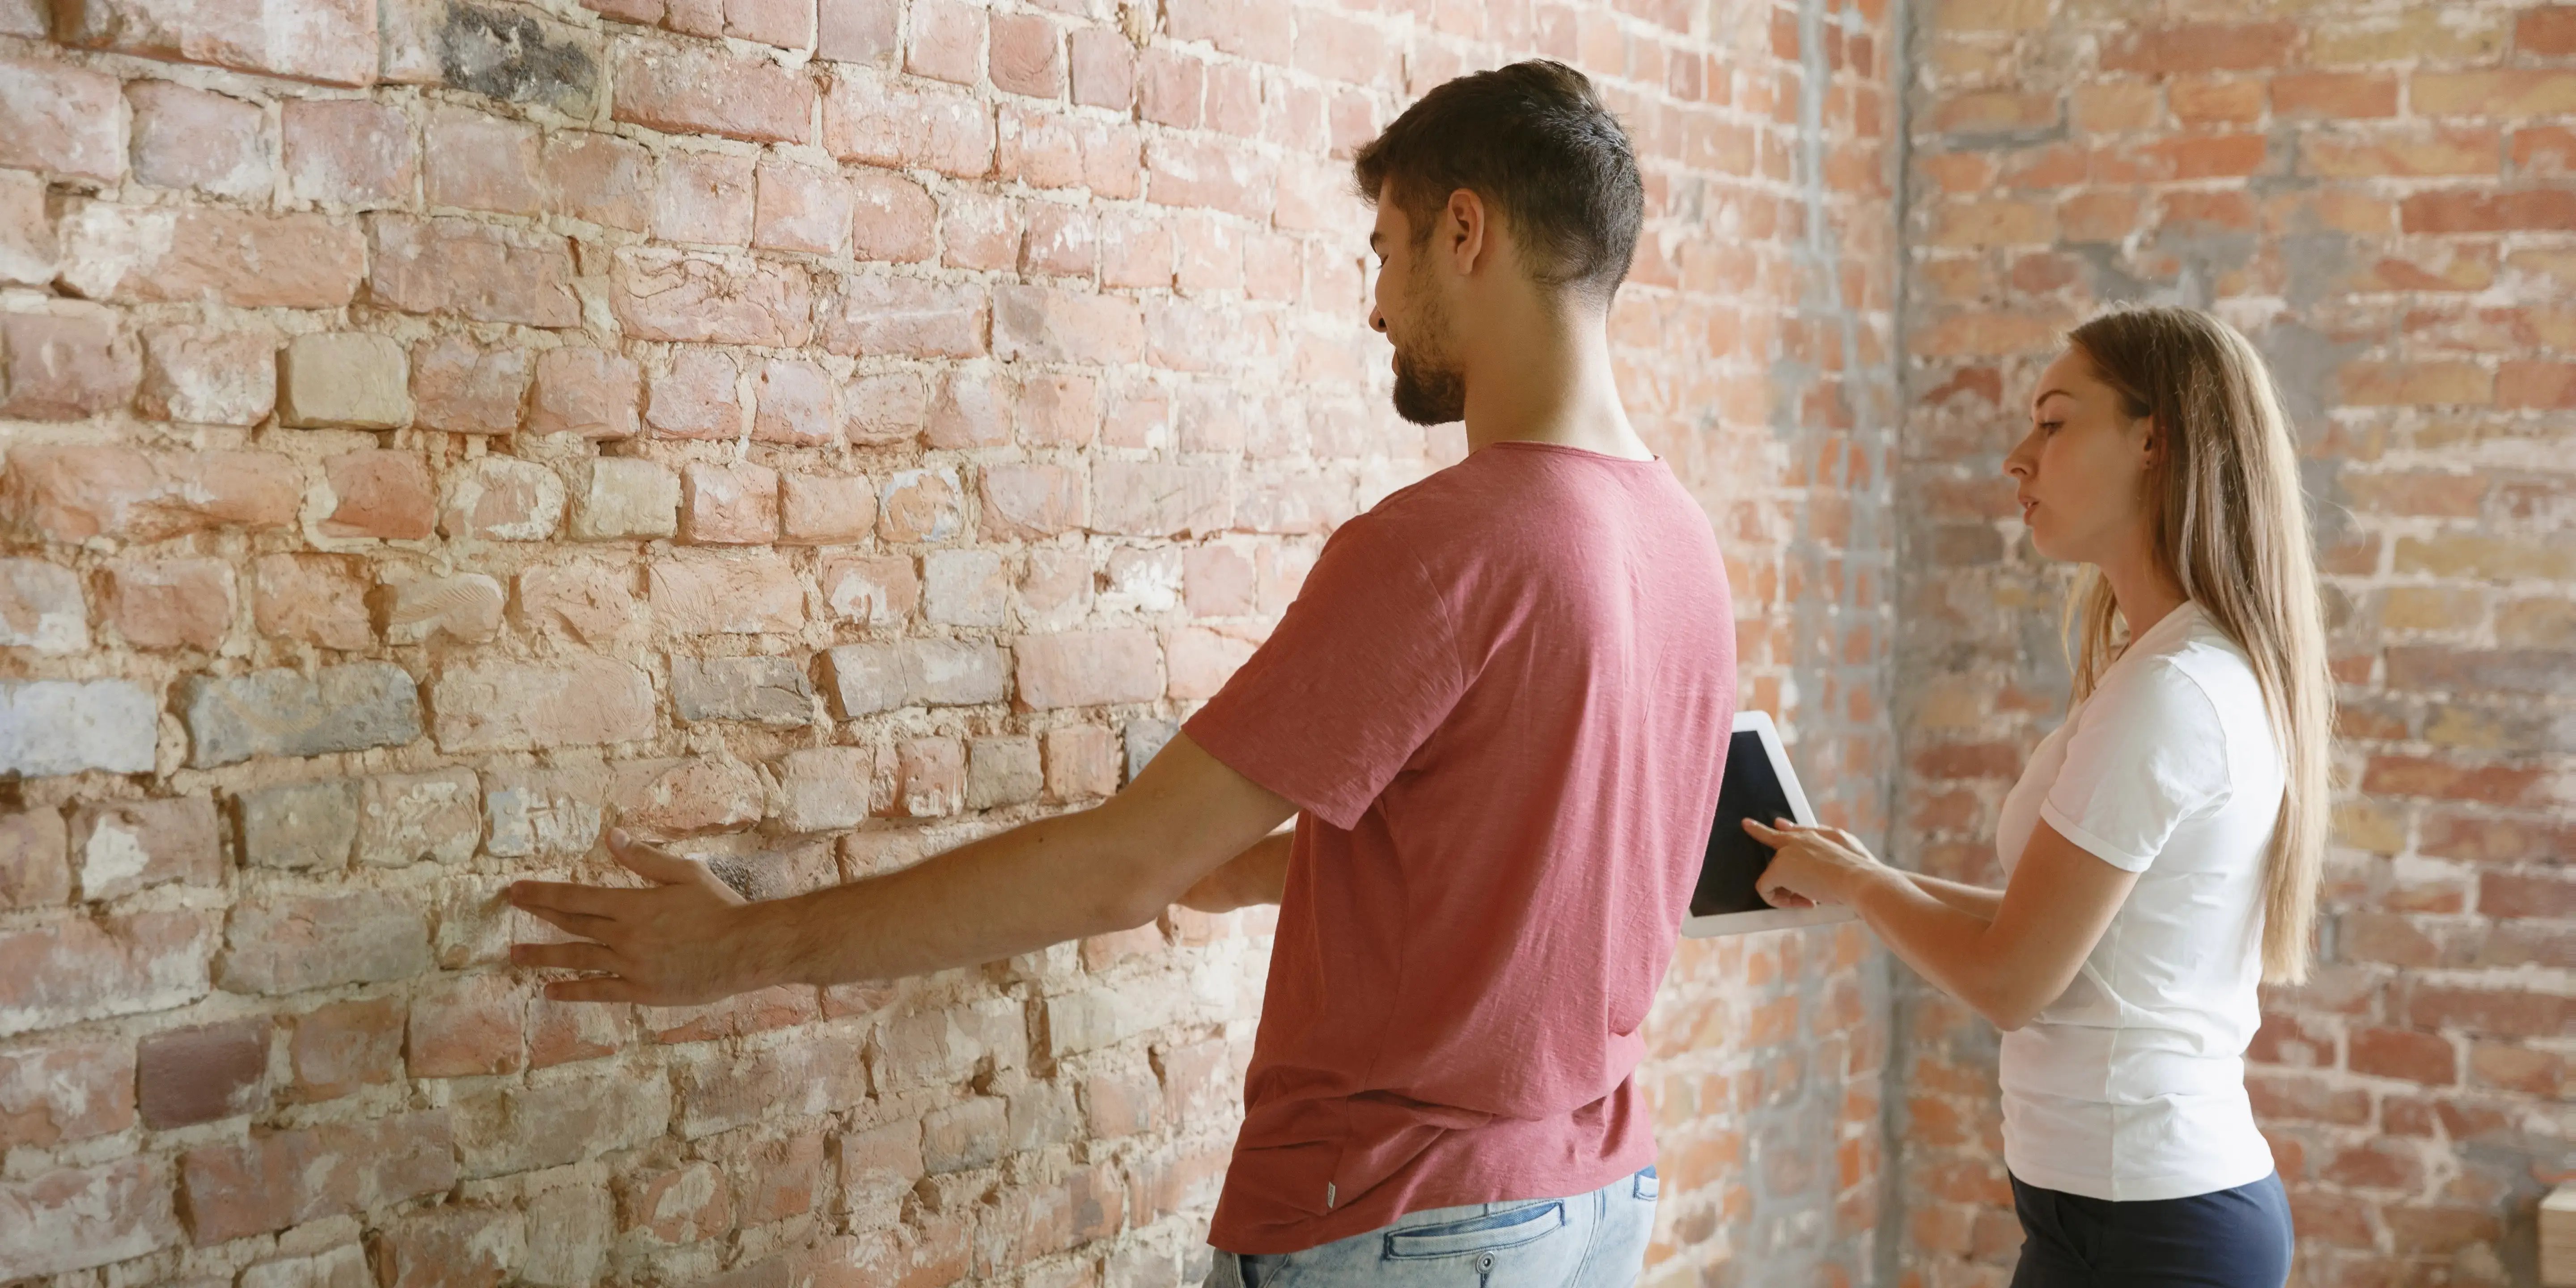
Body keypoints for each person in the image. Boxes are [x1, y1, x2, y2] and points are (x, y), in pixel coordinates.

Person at [506, 60, 1736, 1288]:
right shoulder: (1682, 544)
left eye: (1386, 247)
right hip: (1590, 1200)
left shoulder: (1446, 548)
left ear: (1464, 228)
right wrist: (1254, 867)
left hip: (1406, 1218)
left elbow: (1117, 870)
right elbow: (1522, 854)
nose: (1375, 306)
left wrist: (735, 951)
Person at [1746, 306, 2329, 1288]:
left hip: (2147, 1229)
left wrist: (1868, 890)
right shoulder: (2172, 669)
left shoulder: (2171, 693)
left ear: (2158, 441)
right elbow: (2065, 936)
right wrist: (1862, 876)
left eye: (2054, 423)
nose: (2018, 460)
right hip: (2116, 1215)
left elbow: (2015, 981)